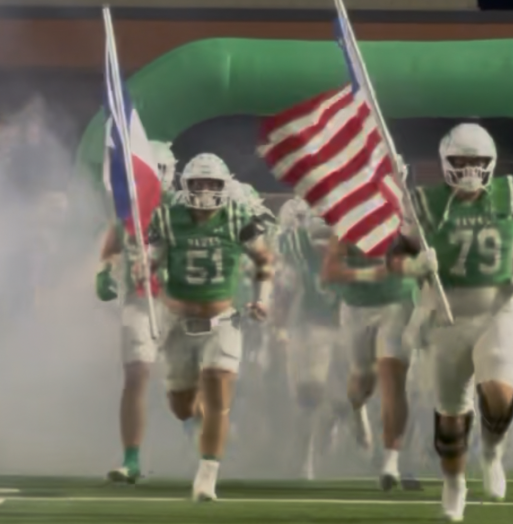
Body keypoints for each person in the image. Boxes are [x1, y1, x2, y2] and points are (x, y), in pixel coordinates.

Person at [388, 123, 513, 522]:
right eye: (461, 161)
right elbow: (395, 257)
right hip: (445, 310)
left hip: (498, 306)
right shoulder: (424, 202)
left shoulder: (512, 192)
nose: (470, 169)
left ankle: (493, 451)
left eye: (477, 161)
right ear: (445, 162)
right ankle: (454, 483)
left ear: (491, 162)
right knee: (451, 414)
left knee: (499, 395)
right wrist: (414, 265)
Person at [147, 153, 274, 501]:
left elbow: (264, 259)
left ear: (224, 187)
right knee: (182, 406)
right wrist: (145, 270)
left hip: (222, 321)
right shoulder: (168, 218)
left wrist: (263, 298)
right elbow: (152, 262)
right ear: (185, 186)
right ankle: (197, 423)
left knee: (219, 396)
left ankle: (207, 476)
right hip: (178, 322)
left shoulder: (237, 216)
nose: (204, 190)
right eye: (198, 183)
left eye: (212, 184)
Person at [321, 200, 419, 490]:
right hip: (358, 307)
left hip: (397, 305)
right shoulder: (348, 224)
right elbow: (329, 273)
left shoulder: (408, 223)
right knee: (363, 381)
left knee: (393, 379)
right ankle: (356, 408)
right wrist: (367, 274)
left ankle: (391, 459)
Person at [96, 141, 178, 484]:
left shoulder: (185, 209)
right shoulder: (127, 211)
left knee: (186, 385)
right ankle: (131, 457)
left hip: (179, 301)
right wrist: (106, 272)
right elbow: (113, 247)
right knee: (137, 374)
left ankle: (201, 444)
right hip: (138, 299)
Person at [273, 212, 346, 479]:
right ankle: (305, 457)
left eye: (328, 239)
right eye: (318, 240)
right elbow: (284, 294)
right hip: (311, 331)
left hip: (344, 330)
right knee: (308, 397)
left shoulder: (350, 256)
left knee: (347, 396)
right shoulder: (300, 260)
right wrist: (280, 328)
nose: (323, 246)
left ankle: (333, 423)